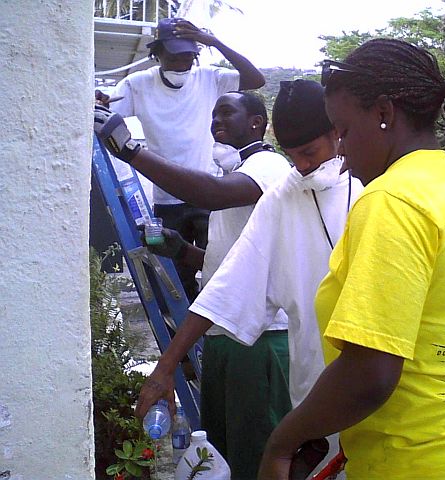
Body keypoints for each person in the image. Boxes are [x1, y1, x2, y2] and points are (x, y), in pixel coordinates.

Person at [258, 39, 445, 479]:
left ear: (384, 113)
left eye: (343, 131)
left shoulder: (392, 200)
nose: (340, 155)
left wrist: (281, 444)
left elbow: (371, 373)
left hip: (421, 463)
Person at [132, 79, 363, 478]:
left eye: (309, 152)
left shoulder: (367, 190)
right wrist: (165, 366)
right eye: (294, 156)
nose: (303, 166)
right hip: (313, 386)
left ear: (336, 134)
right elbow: (228, 283)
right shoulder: (284, 193)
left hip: (372, 382)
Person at [94, 90, 292, 480]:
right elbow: (228, 265)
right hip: (224, 334)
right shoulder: (234, 175)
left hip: (256, 337)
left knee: (255, 457)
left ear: (257, 122)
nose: (216, 121)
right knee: (221, 458)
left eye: (227, 113)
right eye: (213, 114)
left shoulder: (269, 166)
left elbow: (208, 194)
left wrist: (130, 150)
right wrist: (184, 251)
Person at [96, 17, 265, 302]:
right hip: (167, 199)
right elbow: (109, 112)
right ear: (157, 53)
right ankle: (186, 342)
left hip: (208, 195)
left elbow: (256, 80)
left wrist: (214, 42)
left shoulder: (209, 78)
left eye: (189, 54)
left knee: (217, 267)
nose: (183, 62)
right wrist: (100, 102)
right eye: (175, 55)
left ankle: (215, 329)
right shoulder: (138, 84)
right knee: (178, 277)